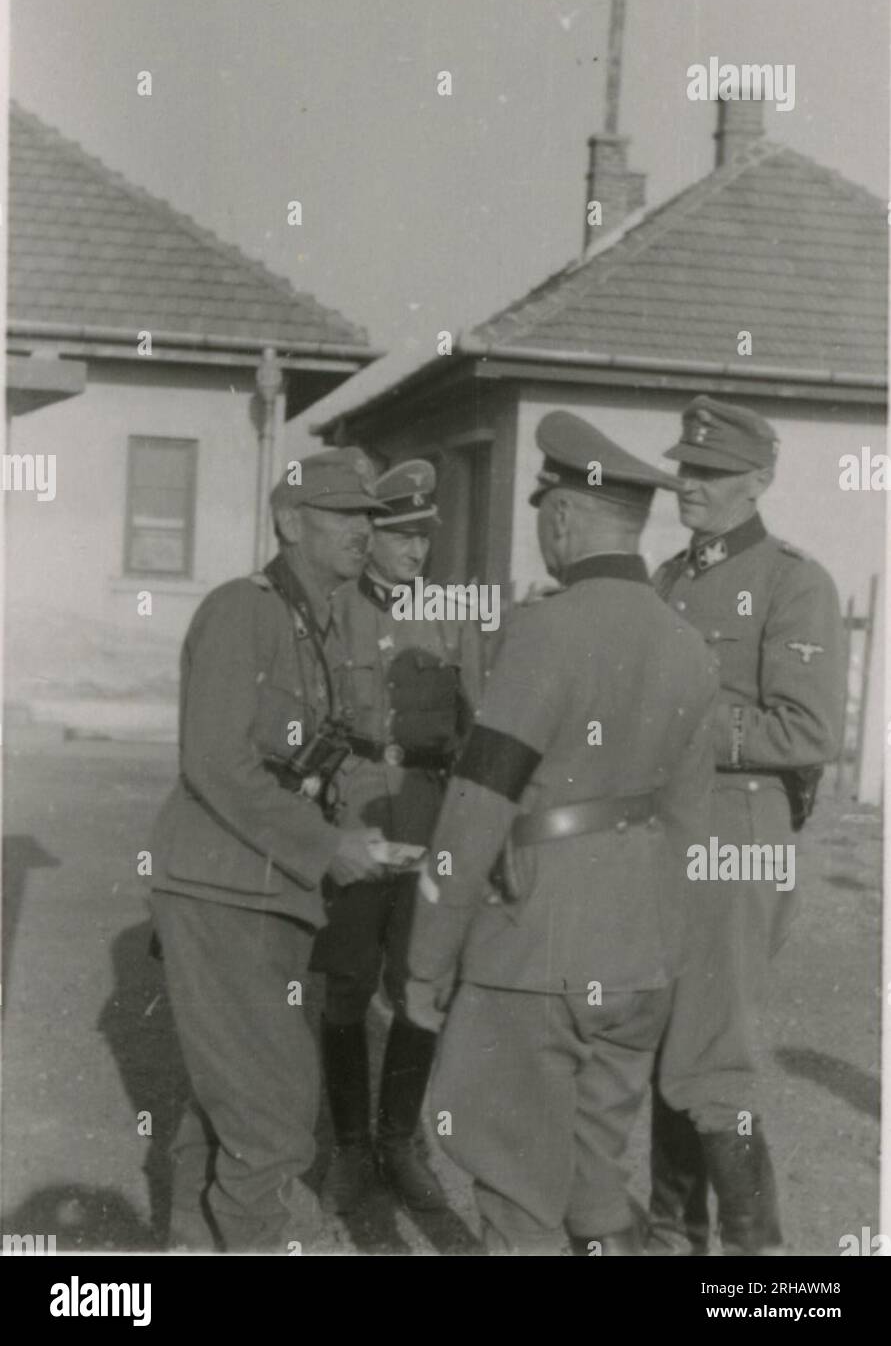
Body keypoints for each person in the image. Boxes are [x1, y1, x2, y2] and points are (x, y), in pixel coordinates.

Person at [404, 410, 719, 1255]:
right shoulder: (688, 645)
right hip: (636, 959)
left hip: (535, 951)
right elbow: (692, 826)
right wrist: (665, 953)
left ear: (560, 517)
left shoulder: (544, 631)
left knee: (512, 1181)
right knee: (592, 1170)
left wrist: (427, 959)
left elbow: (477, 805)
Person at [149, 447, 390, 1253]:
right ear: (289, 523)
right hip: (225, 891)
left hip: (268, 892)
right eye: (343, 515)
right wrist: (326, 847)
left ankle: (190, 1241)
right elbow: (215, 762)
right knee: (274, 1112)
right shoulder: (240, 611)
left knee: (227, 1101)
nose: (364, 531)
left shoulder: (320, 621)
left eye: (369, 517)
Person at [648, 395, 844, 1257]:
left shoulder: (792, 583)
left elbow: (807, 733)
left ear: (757, 483)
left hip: (736, 839)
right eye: (685, 467)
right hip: (665, 836)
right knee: (666, 1035)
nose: (688, 484)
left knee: (711, 1052)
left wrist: (685, 724)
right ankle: (670, 1236)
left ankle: (758, 1270)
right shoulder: (666, 578)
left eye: (710, 473)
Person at [311, 459, 482, 1214]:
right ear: (368, 530)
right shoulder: (330, 611)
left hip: (425, 814)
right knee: (347, 983)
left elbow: (473, 730)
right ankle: (349, 1146)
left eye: (425, 537)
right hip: (351, 814)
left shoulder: (447, 616)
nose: (416, 552)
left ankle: (399, 1141)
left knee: (421, 988)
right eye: (401, 534)